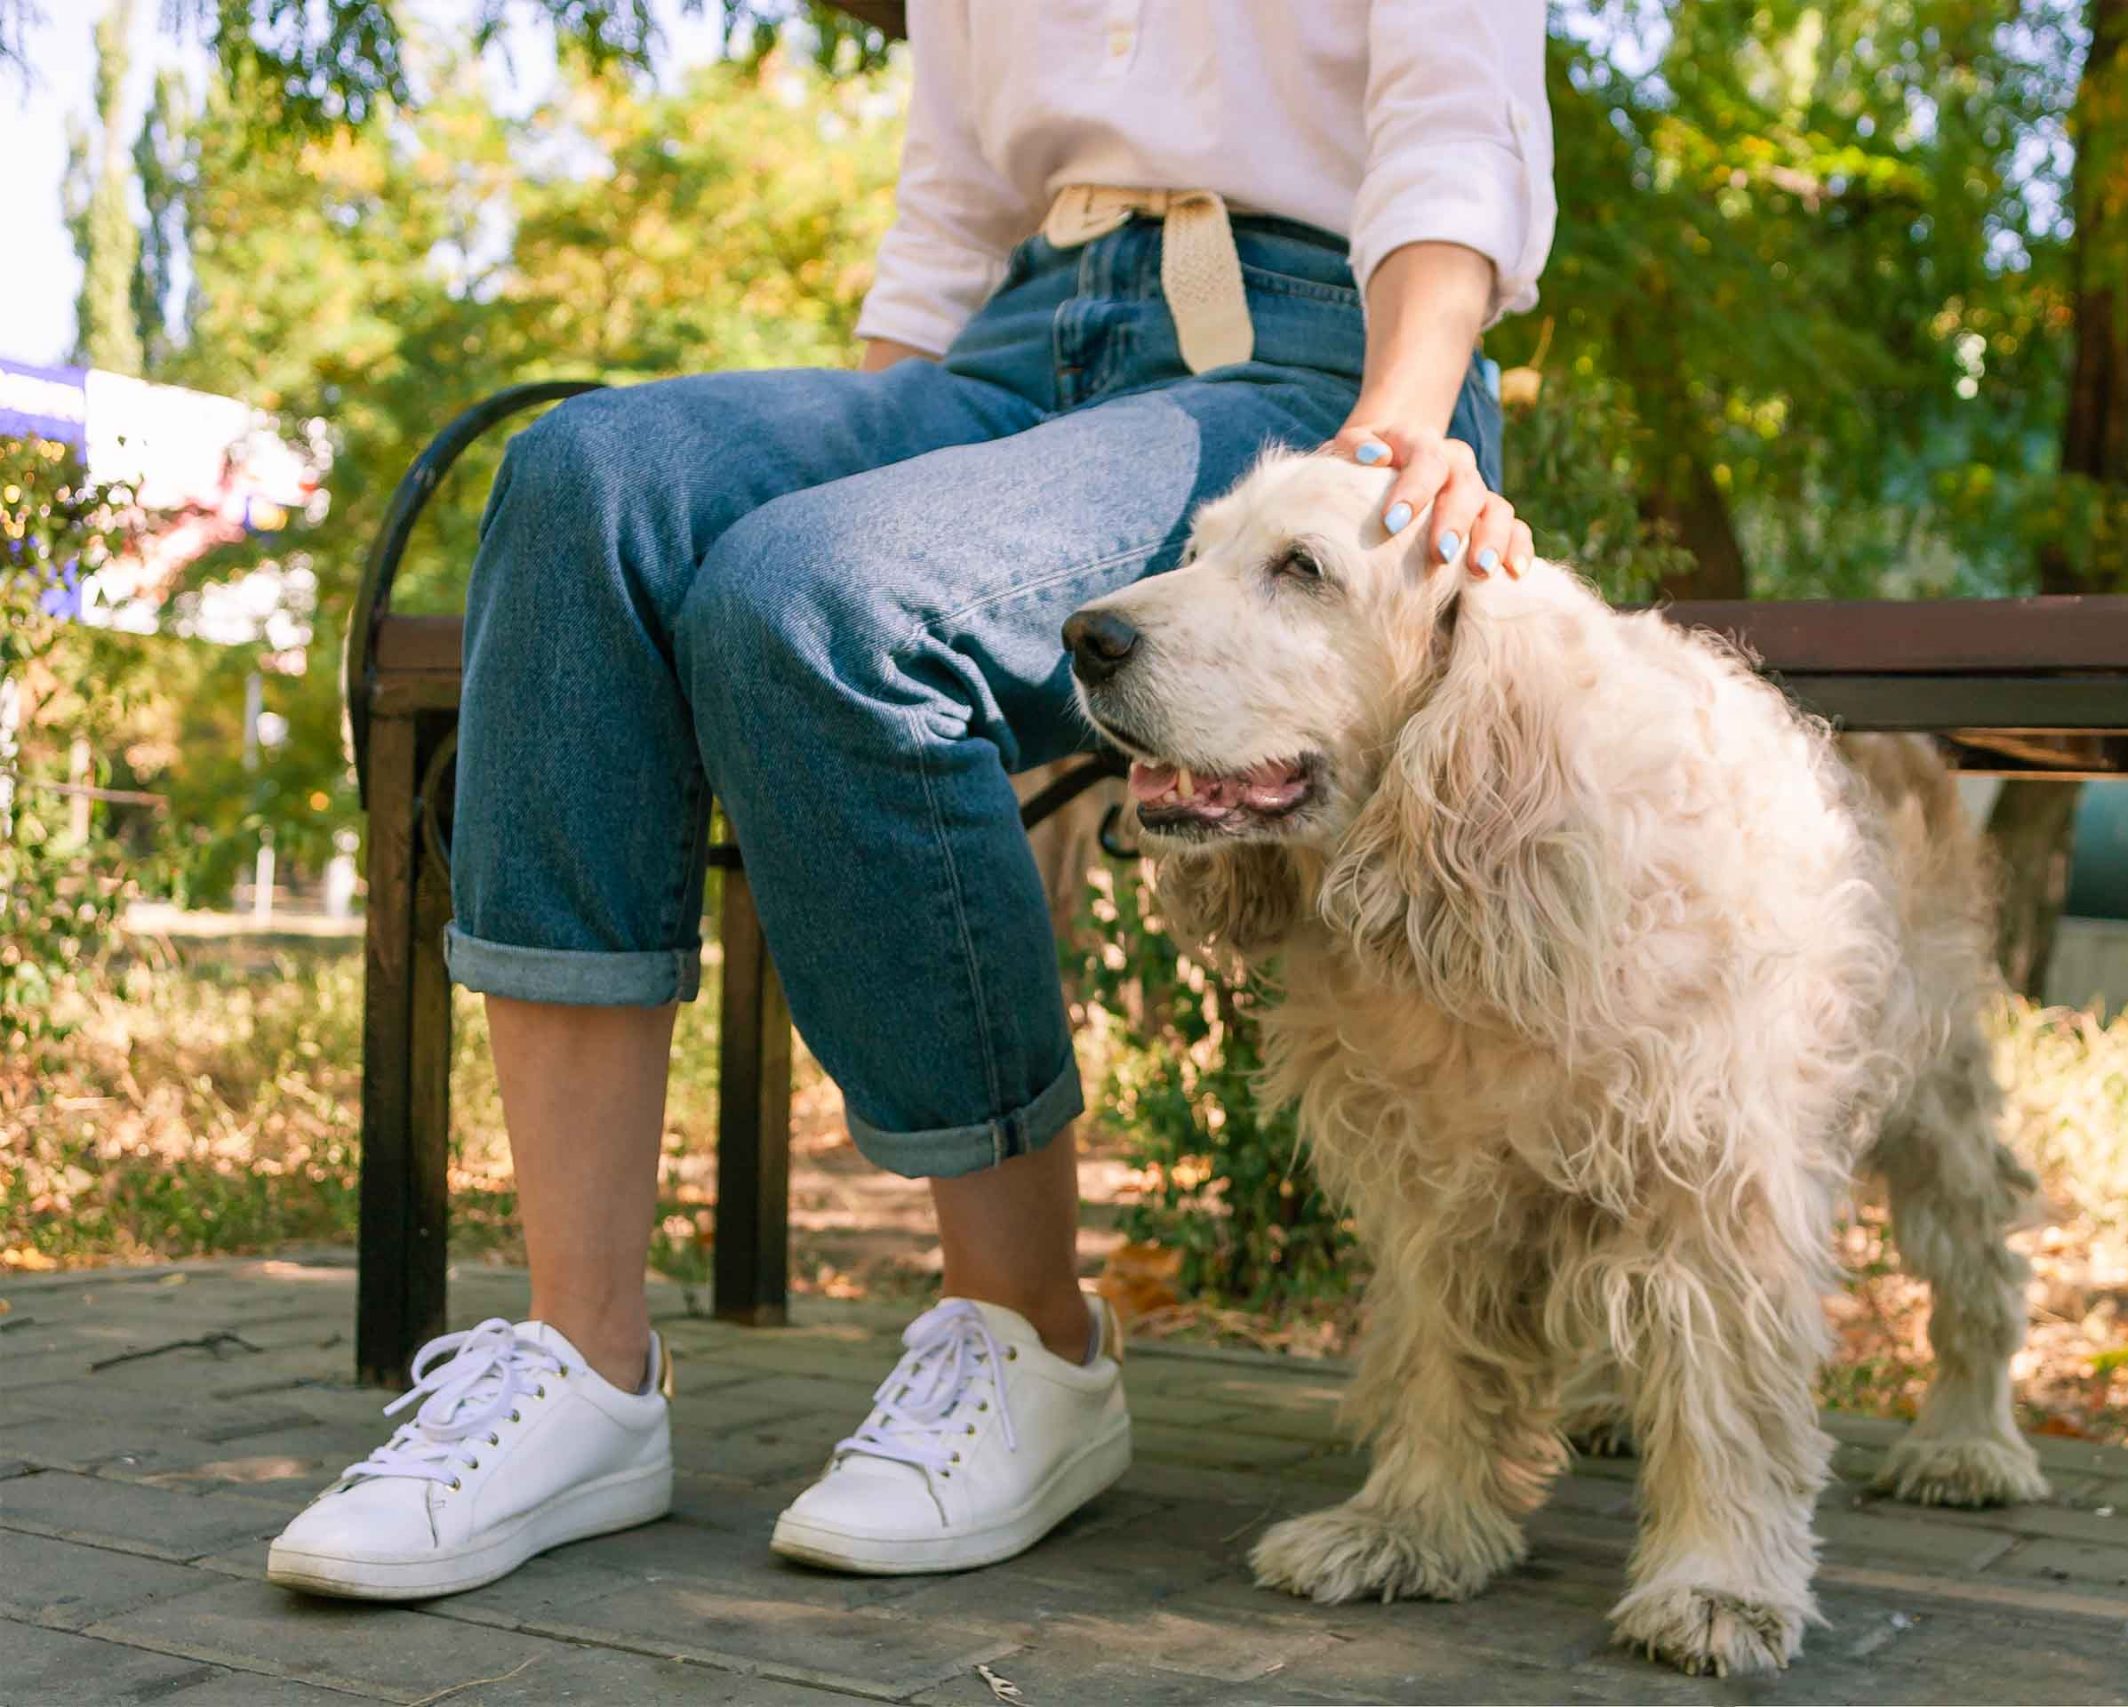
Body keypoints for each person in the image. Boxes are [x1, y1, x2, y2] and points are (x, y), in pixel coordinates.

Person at [266, 0, 1555, 1599]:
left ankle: (1032, 1342)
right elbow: (952, 203)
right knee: (586, 479)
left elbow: (1457, 121)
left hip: (1305, 368)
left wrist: (1405, 420)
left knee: (817, 595)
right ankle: (583, 1362)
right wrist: (861, 457)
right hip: (1013, 350)